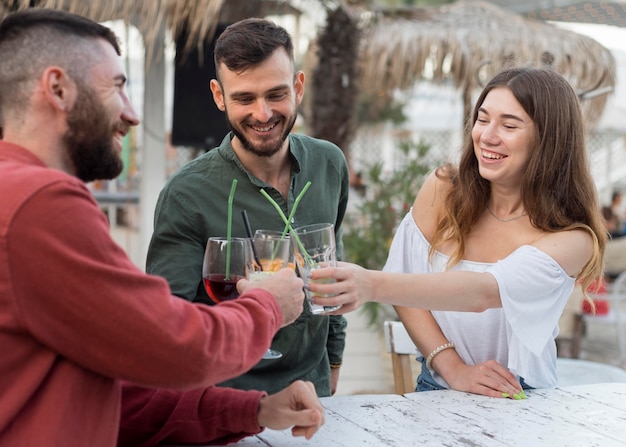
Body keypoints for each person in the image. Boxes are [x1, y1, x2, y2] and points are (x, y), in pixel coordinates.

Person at [0, 9, 324, 446]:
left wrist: (253, 410)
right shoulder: (41, 202)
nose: (133, 116)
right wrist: (266, 305)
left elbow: (117, 390)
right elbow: (173, 348)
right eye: (117, 86)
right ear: (58, 89)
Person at [310, 66, 606, 397]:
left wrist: (369, 283)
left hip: (523, 399)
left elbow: (482, 292)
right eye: (482, 119)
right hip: (437, 387)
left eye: (509, 125)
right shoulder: (443, 190)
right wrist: (453, 369)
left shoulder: (571, 238)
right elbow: (407, 284)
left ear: (549, 139)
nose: (488, 136)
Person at [146, 18, 349, 396]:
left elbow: (330, 266)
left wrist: (333, 361)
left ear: (298, 87)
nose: (262, 113)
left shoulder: (329, 163)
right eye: (244, 98)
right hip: (224, 399)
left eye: (276, 94)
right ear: (219, 96)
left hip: (313, 393)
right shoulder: (186, 194)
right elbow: (168, 322)